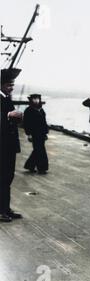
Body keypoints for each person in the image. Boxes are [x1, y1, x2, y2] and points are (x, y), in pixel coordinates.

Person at [0, 68, 23, 222]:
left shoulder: (7, 98)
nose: (11, 88)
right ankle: (1, 211)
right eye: (9, 85)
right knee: (2, 177)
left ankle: (6, 208)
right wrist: (9, 115)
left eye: (12, 85)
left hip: (9, 145)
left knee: (8, 177)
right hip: (1, 145)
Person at [23, 94, 49, 174]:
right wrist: (29, 134)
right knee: (40, 150)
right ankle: (42, 168)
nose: (36, 100)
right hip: (34, 133)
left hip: (41, 133)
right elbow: (26, 123)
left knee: (37, 150)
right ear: (31, 100)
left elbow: (44, 122)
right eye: (34, 99)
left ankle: (30, 166)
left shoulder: (41, 109)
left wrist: (46, 132)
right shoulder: (28, 110)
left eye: (37, 99)